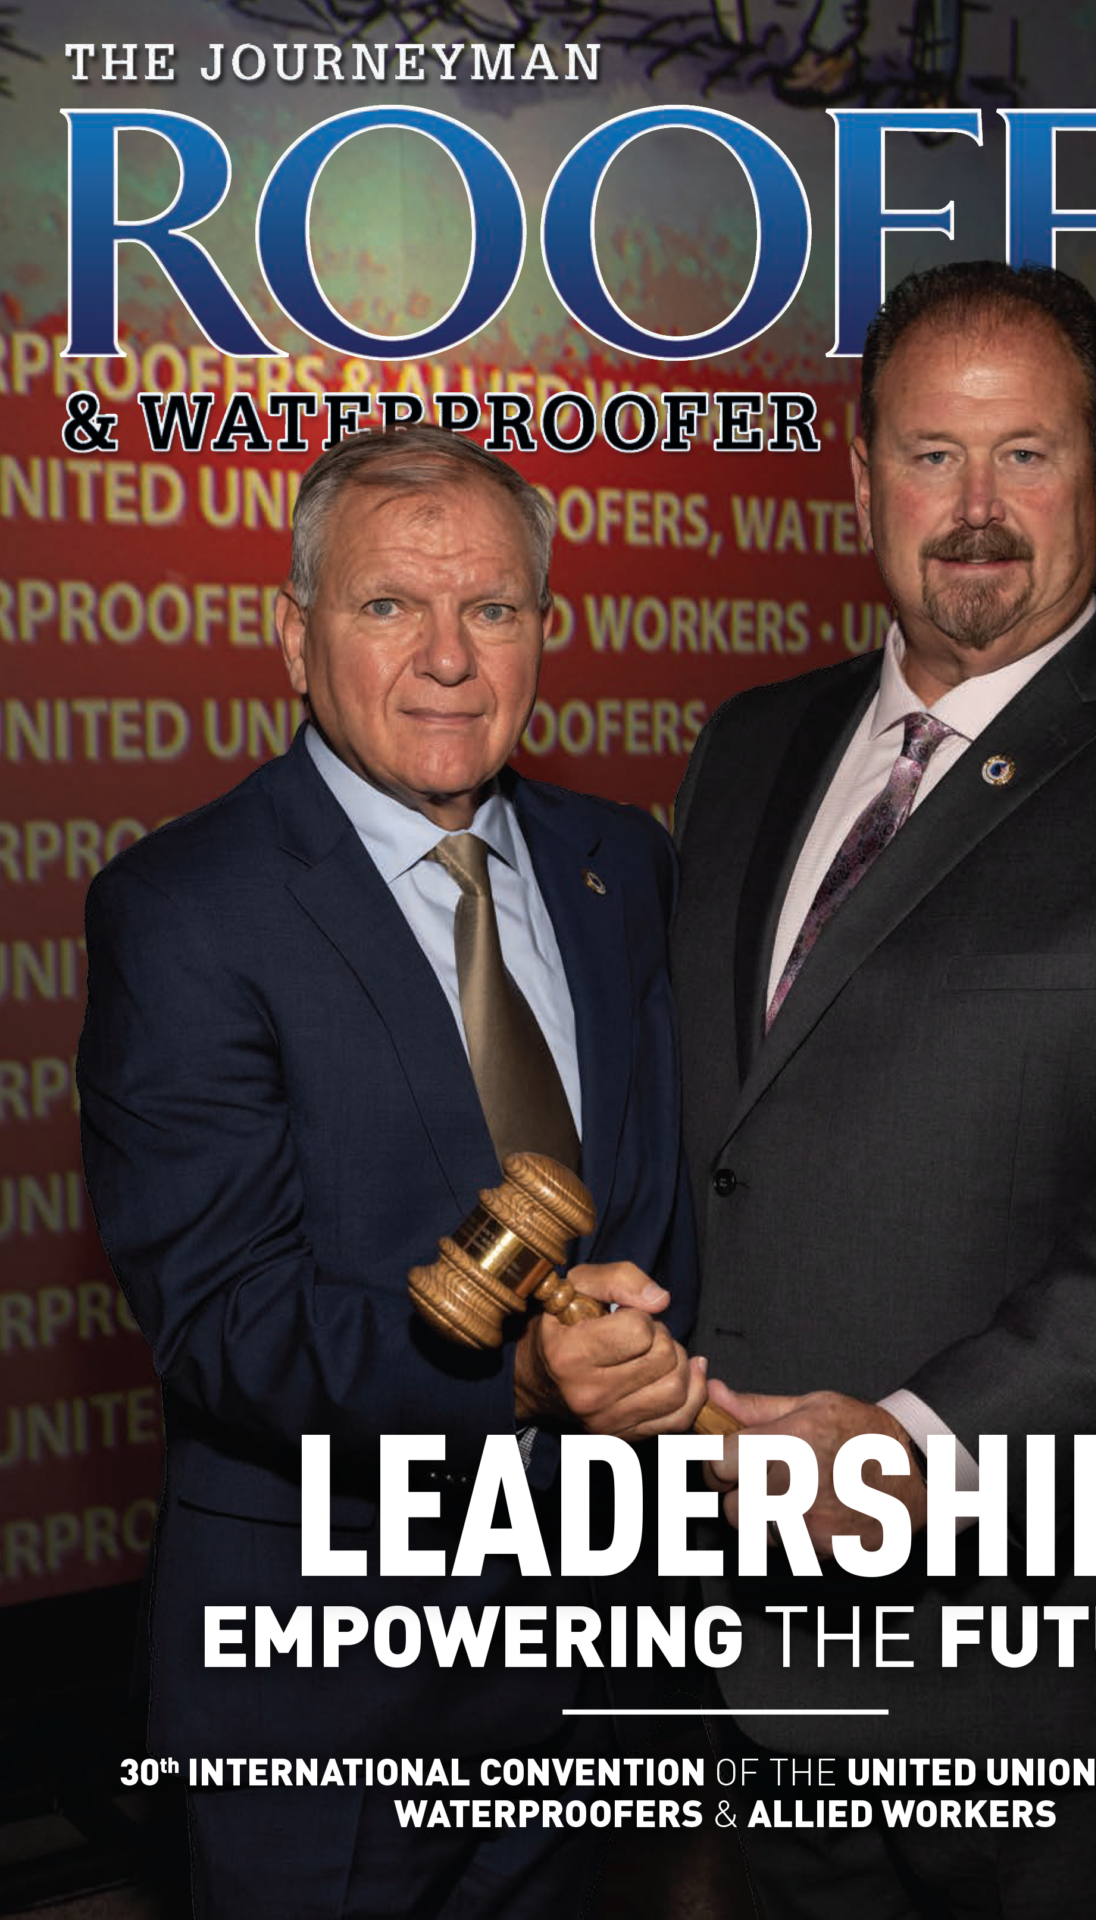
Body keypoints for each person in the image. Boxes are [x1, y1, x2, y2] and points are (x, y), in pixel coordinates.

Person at [671, 262, 1096, 1918]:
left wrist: (914, 1446)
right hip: (757, 1631)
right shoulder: (745, 747)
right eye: (928, 455)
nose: (974, 512)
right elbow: (728, 1136)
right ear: (857, 479)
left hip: (1056, 1661)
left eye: (1026, 455)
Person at [77, 427, 707, 1919]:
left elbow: (678, 1195)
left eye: (492, 608)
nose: (448, 658)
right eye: (387, 608)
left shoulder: (621, 862)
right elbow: (224, 1318)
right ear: (289, 634)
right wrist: (526, 1382)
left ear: (543, 633)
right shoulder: (182, 909)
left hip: (595, 1648)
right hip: (329, 1686)